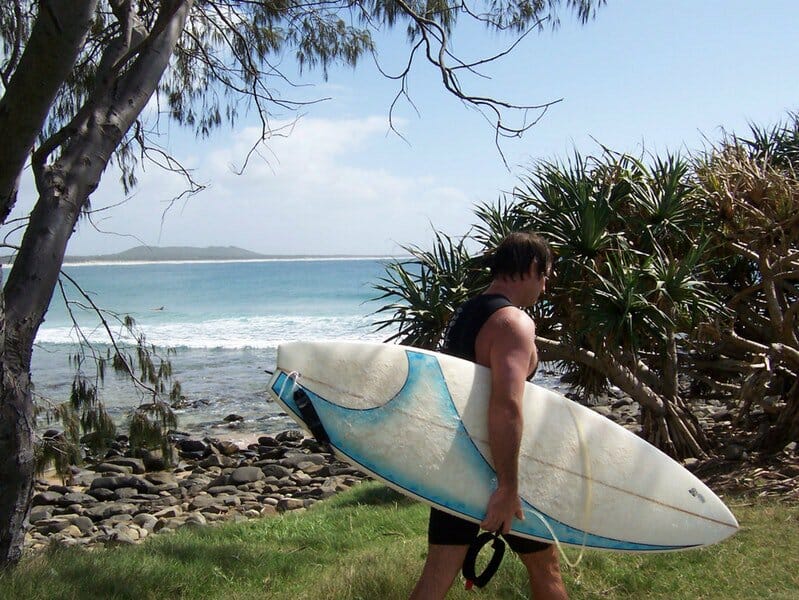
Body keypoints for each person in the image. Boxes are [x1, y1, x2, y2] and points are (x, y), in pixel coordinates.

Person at [409, 231, 567, 600]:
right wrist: (508, 487)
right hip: (496, 470)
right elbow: (506, 405)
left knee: (437, 572)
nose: (544, 287)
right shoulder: (513, 323)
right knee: (546, 569)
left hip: (458, 464)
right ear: (531, 268)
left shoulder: (467, 314)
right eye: (544, 276)